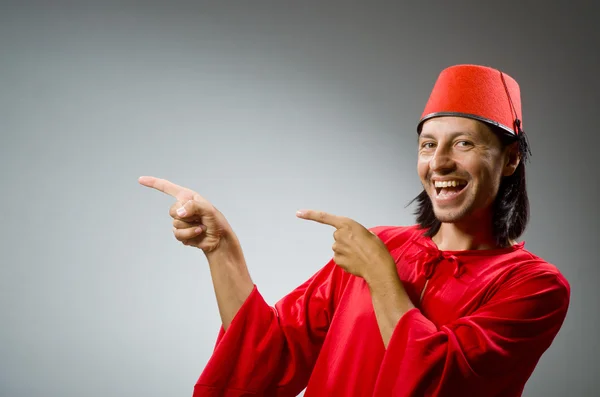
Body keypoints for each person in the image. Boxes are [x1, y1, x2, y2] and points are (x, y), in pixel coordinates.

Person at [139, 64, 570, 396]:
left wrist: (381, 276)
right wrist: (221, 249)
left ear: (510, 159)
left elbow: (442, 384)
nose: (439, 163)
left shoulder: (534, 287)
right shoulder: (381, 244)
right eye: (428, 144)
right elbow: (270, 355)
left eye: (463, 143)